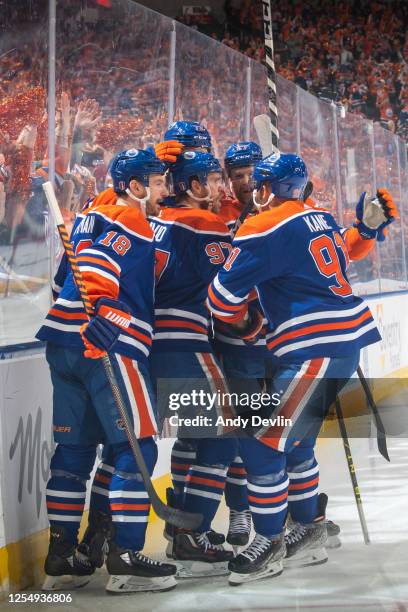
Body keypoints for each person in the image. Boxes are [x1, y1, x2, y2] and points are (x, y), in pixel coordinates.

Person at [207, 152, 397, 585]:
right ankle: (309, 530)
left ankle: (270, 541)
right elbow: (336, 259)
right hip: (339, 343)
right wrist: (364, 230)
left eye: (258, 182)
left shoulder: (261, 226)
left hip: (314, 348)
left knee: (260, 443)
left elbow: (219, 300)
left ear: (267, 188)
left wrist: (252, 320)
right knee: (295, 445)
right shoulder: (321, 217)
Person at [36, 148, 177, 594]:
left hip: (63, 342)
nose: (163, 191)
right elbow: (97, 269)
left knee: (75, 454)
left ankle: (63, 555)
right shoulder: (129, 217)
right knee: (139, 449)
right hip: (109, 343)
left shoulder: (89, 216)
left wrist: (89, 306)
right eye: (156, 182)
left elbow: (63, 282)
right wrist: (106, 312)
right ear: (134, 187)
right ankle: (127, 557)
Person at [149, 150, 236, 577]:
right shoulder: (205, 223)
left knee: (194, 437)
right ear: (194, 186)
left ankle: (178, 529)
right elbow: (228, 288)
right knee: (223, 438)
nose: (221, 188)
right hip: (185, 342)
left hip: (146, 343)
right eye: (213, 180)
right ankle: (192, 534)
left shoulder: (151, 220)